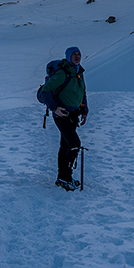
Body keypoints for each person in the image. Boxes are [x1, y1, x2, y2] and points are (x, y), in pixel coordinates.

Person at [43, 46, 88, 190]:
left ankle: (62, 178)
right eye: (74, 54)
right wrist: (54, 107)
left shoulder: (79, 73)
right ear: (68, 56)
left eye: (79, 54)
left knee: (66, 146)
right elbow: (45, 91)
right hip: (61, 115)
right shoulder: (63, 73)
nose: (77, 57)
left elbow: (82, 94)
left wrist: (84, 111)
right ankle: (65, 177)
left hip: (73, 116)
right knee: (74, 144)